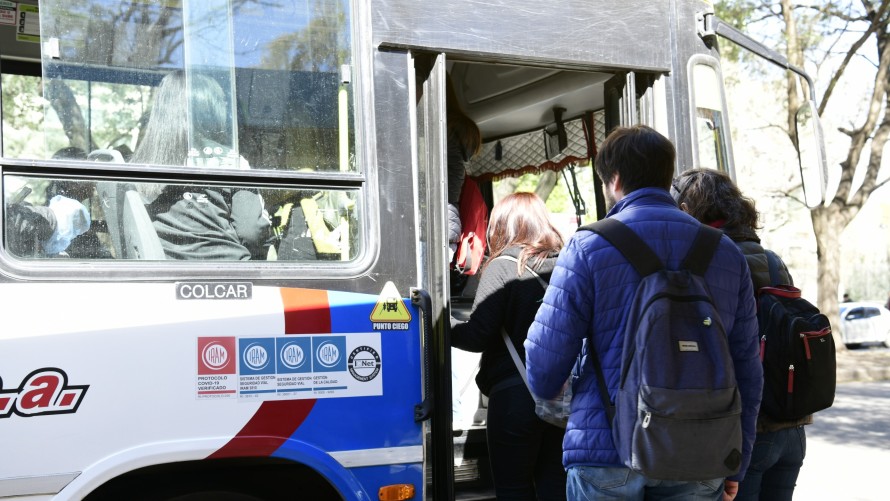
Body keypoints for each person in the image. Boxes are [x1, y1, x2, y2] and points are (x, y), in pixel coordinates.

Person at [525, 125, 762, 501]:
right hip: (702, 450)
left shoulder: (588, 246)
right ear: (667, 175)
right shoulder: (726, 253)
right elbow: (747, 368)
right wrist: (738, 459)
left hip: (608, 451)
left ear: (614, 180)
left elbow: (543, 363)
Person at [672, 168, 808, 501]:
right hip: (792, 426)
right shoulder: (772, 260)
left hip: (747, 433)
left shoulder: (714, 261)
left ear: (689, 210)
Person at [450, 192, 566, 501]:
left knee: (514, 490)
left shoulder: (503, 266)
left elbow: (477, 335)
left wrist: (439, 326)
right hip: (563, 396)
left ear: (502, 225)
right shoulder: (567, 264)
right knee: (555, 487)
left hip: (516, 395)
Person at [130, 70, 271, 260]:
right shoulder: (232, 161)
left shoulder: (139, 164)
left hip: (162, 271)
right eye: (221, 102)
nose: (226, 108)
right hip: (228, 275)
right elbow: (252, 231)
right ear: (207, 109)